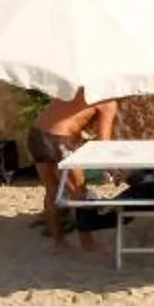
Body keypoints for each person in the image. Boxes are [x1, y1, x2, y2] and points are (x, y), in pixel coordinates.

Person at [31, 89, 122, 249]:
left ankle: (59, 243)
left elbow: (65, 118)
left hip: (36, 135)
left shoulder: (78, 89)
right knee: (79, 194)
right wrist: (114, 171)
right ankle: (87, 243)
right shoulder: (108, 102)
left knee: (52, 191)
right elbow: (104, 144)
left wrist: (78, 134)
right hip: (58, 140)